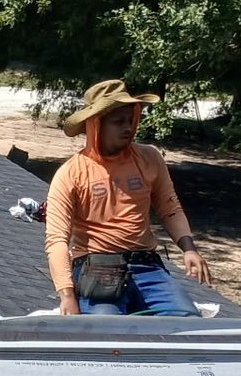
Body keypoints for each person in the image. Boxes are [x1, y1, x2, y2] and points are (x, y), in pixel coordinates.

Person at [45, 80, 211, 315]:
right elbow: (57, 240)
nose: (128, 127)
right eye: (118, 121)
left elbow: (170, 207)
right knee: (108, 333)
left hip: (147, 265)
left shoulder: (149, 158)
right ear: (96, 125)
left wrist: (189, 249)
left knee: (185, 320)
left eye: (130, 120)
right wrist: (67, 295)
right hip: (97, 269)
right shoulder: (71, 174)